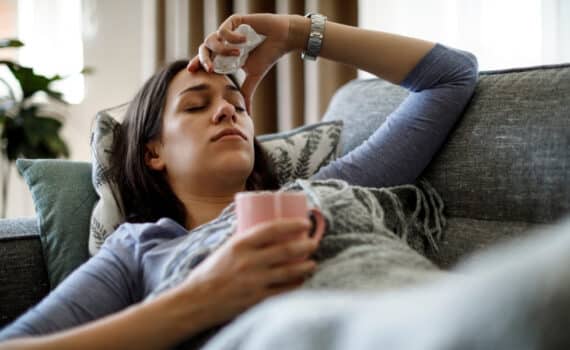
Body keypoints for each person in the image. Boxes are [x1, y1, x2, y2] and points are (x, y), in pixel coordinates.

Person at [0, 13, 478, 349]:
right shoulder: (140, 248)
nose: (227, 108)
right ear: (153, 153)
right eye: (195, 105)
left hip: (427, 320)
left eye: (237, 104)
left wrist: (295, 33)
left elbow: (452, 77)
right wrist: (201, 297)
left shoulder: (320, 190)